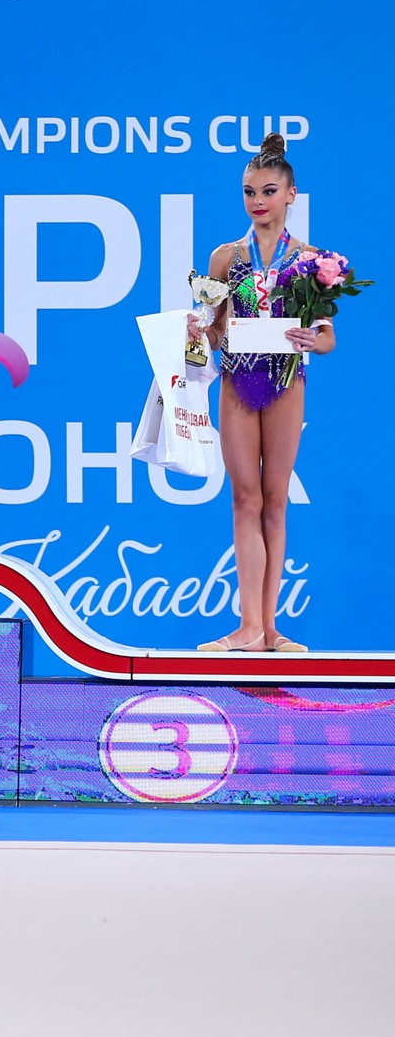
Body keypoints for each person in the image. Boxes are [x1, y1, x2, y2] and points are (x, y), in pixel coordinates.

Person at [187, 133, 329, 652]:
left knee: (275, 500)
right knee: (244, 498)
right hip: (237, 380)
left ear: (291, 194)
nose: (258, 201)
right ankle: (248, 627)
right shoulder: (225, 258)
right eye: (249, 192)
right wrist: (200, 331)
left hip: (287, 381)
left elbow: (327, 336)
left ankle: (271, 630)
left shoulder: (311, 261)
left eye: (268, 191)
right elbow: (214, 331)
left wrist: (313, 339)